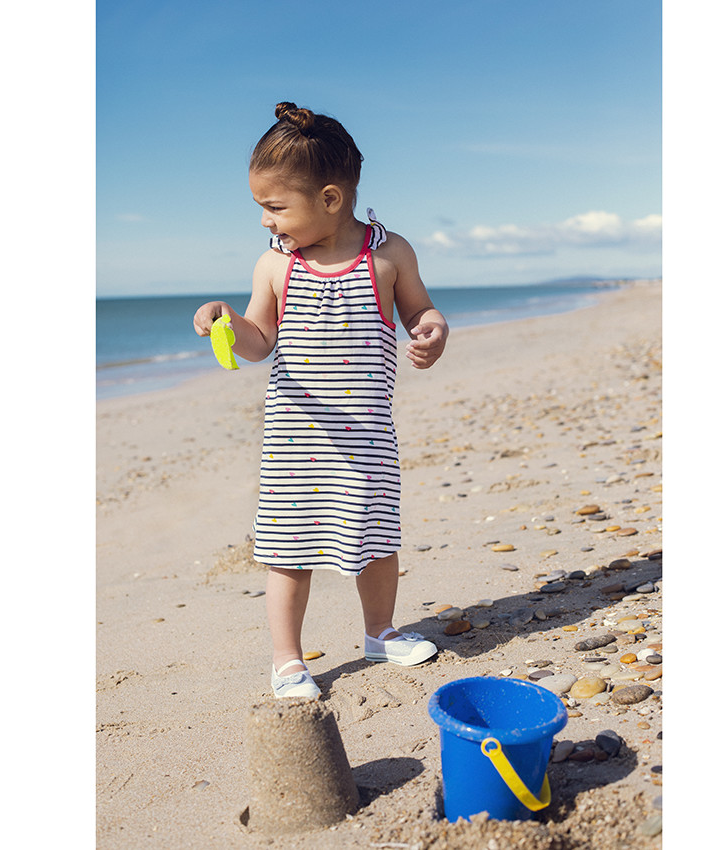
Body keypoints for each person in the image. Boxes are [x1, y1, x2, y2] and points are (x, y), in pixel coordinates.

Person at [193, 102, 448, 698]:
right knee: (288, 551)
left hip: (365, 436)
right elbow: (259, 341)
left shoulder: (388, 254)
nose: (265, 220)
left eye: (276, 207)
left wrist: (433, 330)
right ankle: (287, 660)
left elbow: (420, 310)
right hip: (295, 441)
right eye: (261, 207)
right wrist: (226, 318)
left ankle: (380, 632)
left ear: (330, 198)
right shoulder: (275, 266)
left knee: (377, 540)